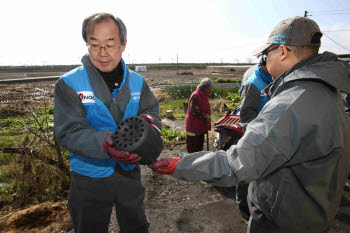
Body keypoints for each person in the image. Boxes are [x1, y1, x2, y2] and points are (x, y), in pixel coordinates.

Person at [149, 16, 350, 233]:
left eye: (266, 53)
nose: (264, 60)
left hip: (282, 220)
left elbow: (237, 163)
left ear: (282, 52)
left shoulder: (290, 103)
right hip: (314, 210)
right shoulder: (326, 90)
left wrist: (179, 165)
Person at [54, 13, 160, 233]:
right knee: (88, 227)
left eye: (110, 44)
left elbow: (150, 111)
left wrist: (149, 125)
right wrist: (105, 144)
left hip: (128, 170)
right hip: (88, 175)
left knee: (136, 225)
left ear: (123, 45)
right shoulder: (69, 83)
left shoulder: (138, 82)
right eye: (94, 45)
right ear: (87, 45)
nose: (102, 53)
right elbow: (68, 132)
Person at [233, 56, 273, 220]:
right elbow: (246, 116)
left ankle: (258, 202)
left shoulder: (273, 79)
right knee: (246, 172)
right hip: (255, 137)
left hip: (269, 137)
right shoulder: (253, 83)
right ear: (265, 61)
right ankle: (243, 206)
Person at [185, 78, 213, 153]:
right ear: (206, 88)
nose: (212, 90)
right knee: (193, 150)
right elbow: (194, 111)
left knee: (199, 148)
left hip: (200, 127)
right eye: (211, 88)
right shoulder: (196, 95)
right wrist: (205, 116)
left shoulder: (204, 95)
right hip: (193, 127)